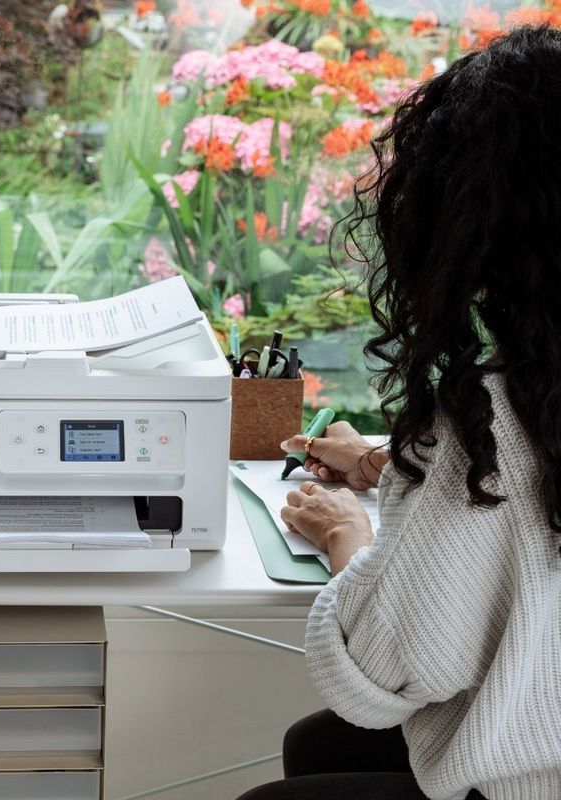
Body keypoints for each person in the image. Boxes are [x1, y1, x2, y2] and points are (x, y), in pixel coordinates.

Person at [238, 25, 561, 800]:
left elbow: (380, 675)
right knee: (315, 746)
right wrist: (399, 468)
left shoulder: (498, 415)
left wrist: (350, 536)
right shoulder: (528, 412)